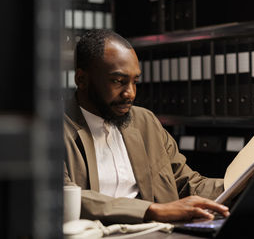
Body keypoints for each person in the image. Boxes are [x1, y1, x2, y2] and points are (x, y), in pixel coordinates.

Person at [63, 29, 229, 224]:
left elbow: (187, 184)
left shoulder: (145, 122)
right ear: (81, 79)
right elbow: (62, 197)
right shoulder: (52, 129)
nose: (130, 93)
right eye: (118, 81)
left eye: (135, 82)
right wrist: (152, 211)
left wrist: (244, 181)